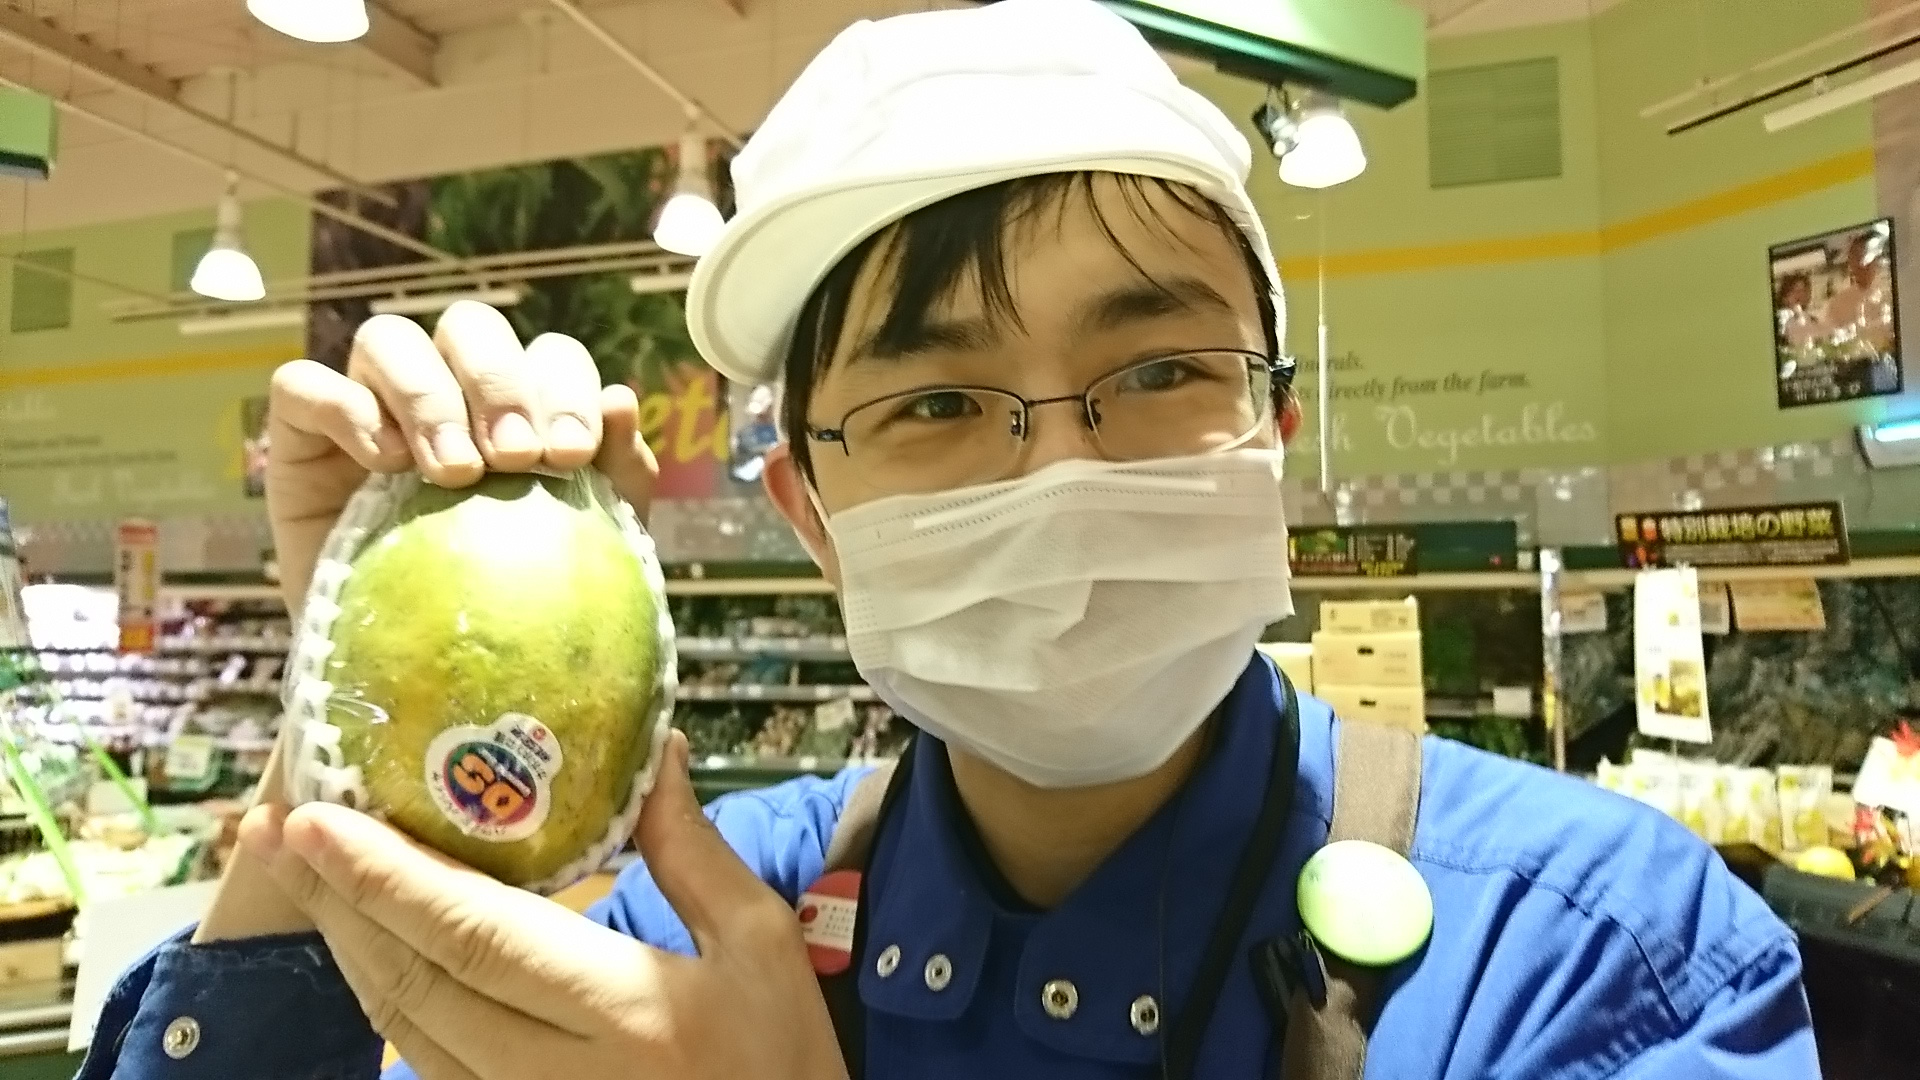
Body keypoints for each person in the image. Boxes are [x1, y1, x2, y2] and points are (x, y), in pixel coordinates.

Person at [80, 2, 1819, 1078]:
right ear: (810, 517)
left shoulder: (1600, 959)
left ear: (1274, 436)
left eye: (1157, 372)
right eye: (936, 400)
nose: (1057, 468)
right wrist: (360, 710)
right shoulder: (685, 928)